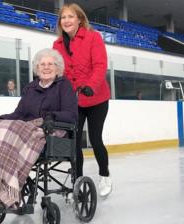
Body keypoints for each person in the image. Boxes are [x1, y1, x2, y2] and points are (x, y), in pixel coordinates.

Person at [0, 48, 78, 210]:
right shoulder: (31, 88)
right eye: (42, 64)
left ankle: (6, 192)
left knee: (13, 133)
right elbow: (19, 113)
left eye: (50, 64)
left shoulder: (64, 86)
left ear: (58, 67)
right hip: (27, 128)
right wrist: (3, 119)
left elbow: (72, 114)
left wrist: (51, 116)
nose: (46, 67)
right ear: (37, 68)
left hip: (53, 130)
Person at [52, 3, 112, 197]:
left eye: (70, 16)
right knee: (74, 143)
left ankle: (105, 175)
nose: (67, 21)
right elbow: (59, 71)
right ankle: (77, 181)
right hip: (74, 101)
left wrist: (90, 87)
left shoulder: (93, 37)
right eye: (63, 17)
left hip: (96, 97)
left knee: (95, 138)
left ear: (79, 19)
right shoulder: (57, 44)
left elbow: (100, 65)